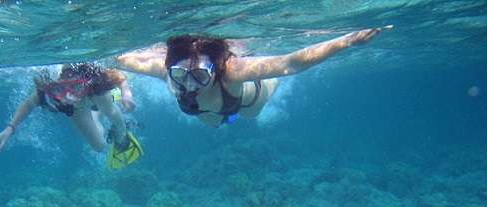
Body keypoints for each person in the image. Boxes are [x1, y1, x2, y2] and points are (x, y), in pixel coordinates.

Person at [115, 28, 386, 127]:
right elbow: (121, 59)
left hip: (247, 100)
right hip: (209, 111)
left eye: (199, 75)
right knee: (211, 123)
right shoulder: (166, 71)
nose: (188, 84)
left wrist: (346, 42)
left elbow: (290, 63)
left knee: (249, 115)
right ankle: (223, 119)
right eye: (180, 74)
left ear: (214, 69)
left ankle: (260, 99)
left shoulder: (232, 71)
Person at [0, 63, 143, 169]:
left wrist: (126, 94)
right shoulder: (48, 89)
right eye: (61, 88)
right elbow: (29, 104)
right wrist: (9, 129)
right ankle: (95, 115)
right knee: (100, 146)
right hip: (77, 108)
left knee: (109, 109)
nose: (68, 95)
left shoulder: (95, 81)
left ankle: (103, 107)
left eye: (74, 86)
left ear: (83, 80)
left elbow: (118, 80)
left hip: (91, 94)